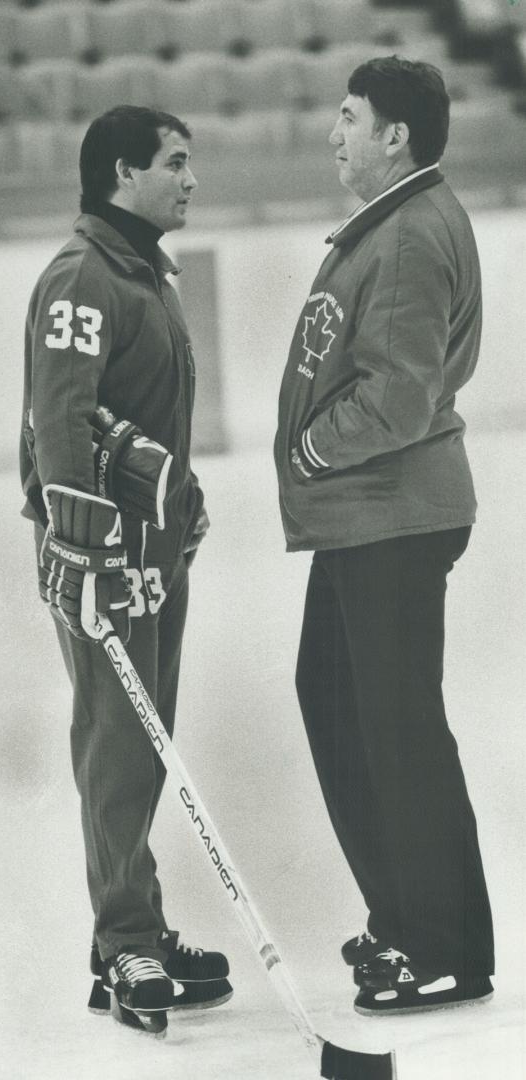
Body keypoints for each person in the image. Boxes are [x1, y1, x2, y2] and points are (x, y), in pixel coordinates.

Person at [274, 57, 494, 1015]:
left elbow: (397, 398)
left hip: (390, 513)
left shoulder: (405, 236)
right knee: (342, 708)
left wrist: (312, 450)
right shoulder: (398, 222)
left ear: (393, 135)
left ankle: (440, 946)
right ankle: (408, 922)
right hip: (372, 517)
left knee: (393, 732)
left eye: (348, 115)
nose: (334, 131)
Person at [20, 105, 231, 1035]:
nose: (190, 179)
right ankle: (123, 940)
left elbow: (145, 421)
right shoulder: (82, 277)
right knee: (115, 738)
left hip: (152, 552)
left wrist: (180, 512)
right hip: (101, 556)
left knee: (145, 737)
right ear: (120, 173)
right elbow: (60, 425)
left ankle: (135, 928)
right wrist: (81, 549)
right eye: (174, 163)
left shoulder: (147, 272)